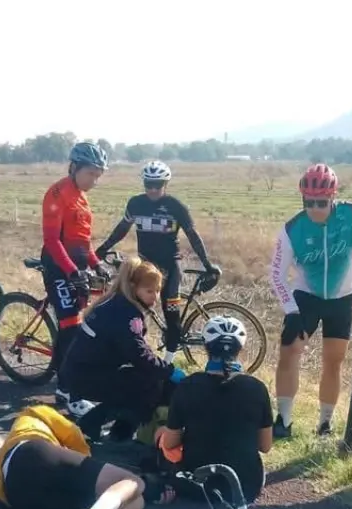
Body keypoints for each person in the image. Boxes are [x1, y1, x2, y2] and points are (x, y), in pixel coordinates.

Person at [269, 163, 352, 438]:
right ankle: (283, 420)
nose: (315, 209)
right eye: (309, 202)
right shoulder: (292, 229)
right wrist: (291, 309)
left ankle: (324, 424)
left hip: (343, 297)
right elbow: (275, 274)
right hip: (305, 296)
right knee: (289, 351)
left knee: (333, 360)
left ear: (333, 197)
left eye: (322, 202)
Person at [0, 404, 175, 509]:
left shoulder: (7, 446)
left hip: (15, 498)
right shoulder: (34, 413)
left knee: (138, 498)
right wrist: (93, 469)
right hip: (32, 452)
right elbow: (75, 437)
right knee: (134, 481)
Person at [95, 160, 220, 363]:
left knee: (171, 315)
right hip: (145, 265)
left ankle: (168, 364)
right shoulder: (135, 203)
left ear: (166, 184)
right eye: (148, 184)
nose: (152, 189)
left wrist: (207, 264)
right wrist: (103, 248)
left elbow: (193, 235)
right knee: (131, 309)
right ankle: (134, 356)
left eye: (158, 185)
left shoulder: (175, 206)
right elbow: (122, 228)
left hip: (170, 265)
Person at [60, 256, 186, 442]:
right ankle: (99, 430)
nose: (155, 296)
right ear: (134, 288)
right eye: (149, 291)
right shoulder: (126, 315)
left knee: (138, 381)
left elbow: (135, 351)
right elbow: (139, 355)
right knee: (148, 385)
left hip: (80, 372)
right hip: (86, 376)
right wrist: (169, 371)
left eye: (158, 291)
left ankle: (111, 431)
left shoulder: (116, 303)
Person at [158, 316, 273, 504]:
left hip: (197, 487)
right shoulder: (257, 388)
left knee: (162, 434)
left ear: (206, 347)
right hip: (245, 488)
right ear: (240, 349)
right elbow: (265, 446)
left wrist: (162, 433)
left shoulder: (187, 386)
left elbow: (170, 444)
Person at [40, 141, 111, 416]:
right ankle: (68, 392)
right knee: (70, 325)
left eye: (98, 176)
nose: (94, 180)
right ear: (74, 167)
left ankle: (63, 383)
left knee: (76, 325)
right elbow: (52, 241)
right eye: (91, 174)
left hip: (77, 268)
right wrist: (71, 271)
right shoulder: (58, 193)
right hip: (59, 267)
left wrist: (96, 264)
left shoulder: (82, 196)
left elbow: (83, 242)